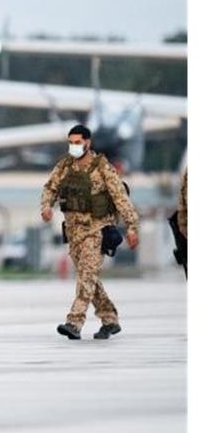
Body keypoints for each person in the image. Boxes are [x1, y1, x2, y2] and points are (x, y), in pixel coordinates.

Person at [40, 124, 139, 340]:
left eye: (78, 143)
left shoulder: (102, 168)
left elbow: (121, 197)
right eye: (71, 143)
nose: (74, 147)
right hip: (74, 233)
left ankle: (74, 322)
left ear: (88, 142)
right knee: (89, 278)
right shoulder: (65, 166)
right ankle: (110, 319)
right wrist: (46, 206)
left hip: (96, 231)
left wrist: (132, 226)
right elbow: (50, 188)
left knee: (86, 276)